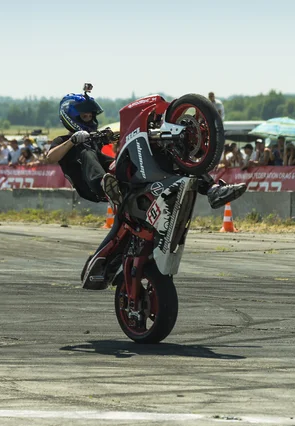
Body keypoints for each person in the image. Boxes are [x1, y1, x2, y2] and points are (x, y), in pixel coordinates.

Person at [48, 87, 246, 290]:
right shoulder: (65, 141)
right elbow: (50, 156)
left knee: (154, 159)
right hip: (91, 185)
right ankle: (105, 185)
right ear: (71, 116)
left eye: (90, 116)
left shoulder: (94, 137)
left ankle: (213, 189)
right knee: (86, 153)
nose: (89, 119)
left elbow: (114, 140)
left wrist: (115, 135)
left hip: (114, 179)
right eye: (85, 115)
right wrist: (73, 141)